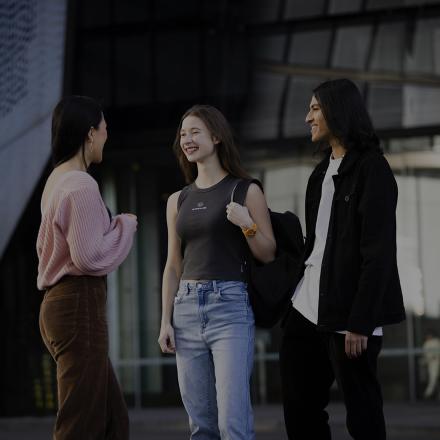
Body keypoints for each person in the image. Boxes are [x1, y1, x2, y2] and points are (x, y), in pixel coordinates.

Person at [280, 79, 406, 440]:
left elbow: (378, 254)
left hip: (349, 315)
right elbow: (316, 246)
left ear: (339, 110)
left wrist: (361, 320)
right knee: (300, 409)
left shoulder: (372, 169)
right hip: (306, 308)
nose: (308, 117)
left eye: (315, 108)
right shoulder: (319, 175)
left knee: (363, 413)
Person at [158, 104, 276, 439]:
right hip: (185, 309)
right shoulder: (177, 200)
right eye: (183, 134)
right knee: (201, 426)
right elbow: (172, 265)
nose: (187, 139)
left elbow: (267, 253)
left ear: (216, 136)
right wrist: (166, 320)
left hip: (230, 309)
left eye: (195, 132)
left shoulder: (246, 190)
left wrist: (247, 224)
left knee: (231, 423)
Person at [37, 96, 137, 439]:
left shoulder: (56, 180)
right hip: (78, 304)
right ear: (90, 134)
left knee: (112, 420)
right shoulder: (80, 184)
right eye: (105, 130)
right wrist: (125, 225)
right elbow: (90, 257)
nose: (107, 137)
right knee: (81, 424)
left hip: (62, 305)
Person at [421, 329, 440, 399]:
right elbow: (425, 354)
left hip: (436, 361)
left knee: (434, 378)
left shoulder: (436, 341)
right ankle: (428, 394)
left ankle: (428, 393)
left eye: (429, 335)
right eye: (427, 335)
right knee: (434, 378)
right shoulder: (426, 343)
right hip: (431, 363)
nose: (428, 336)